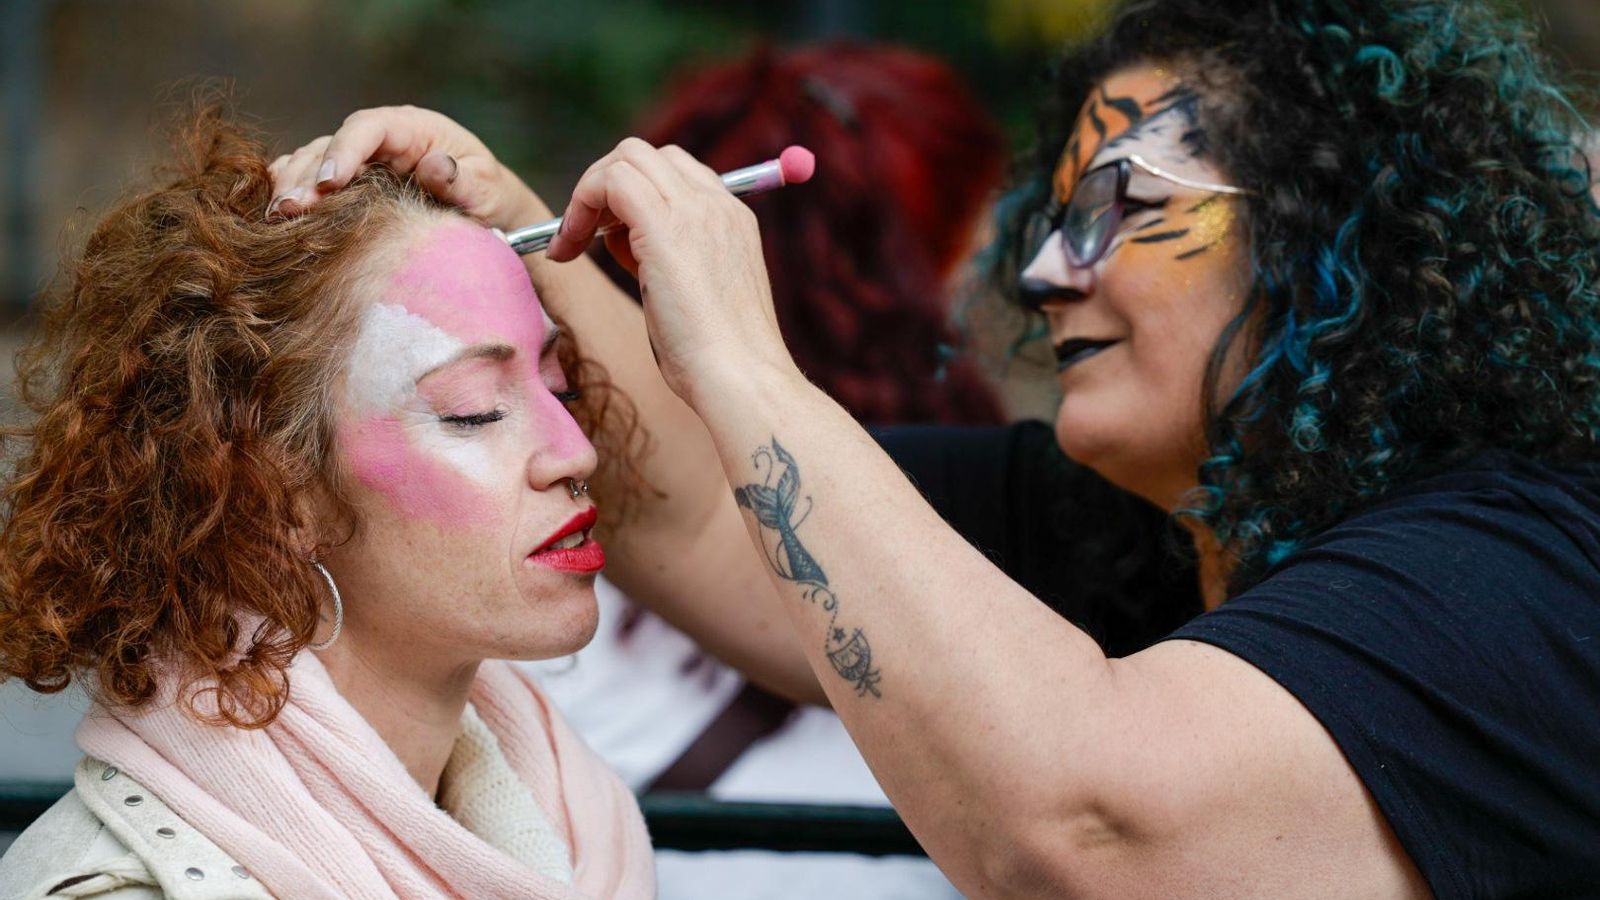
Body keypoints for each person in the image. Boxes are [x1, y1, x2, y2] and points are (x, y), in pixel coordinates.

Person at [281, 0, 1600, 894]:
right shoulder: (1139, 522)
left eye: (1125, 209)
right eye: (1054, 215)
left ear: (1339, 243)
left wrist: (744, 351)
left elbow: (1087, 828)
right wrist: (506, 212)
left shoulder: (1517, 566)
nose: (1043, 273)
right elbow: (705, 520)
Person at [0, 106, 654, 897]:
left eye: (558, 386)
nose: (574, 451)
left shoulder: (586, 826)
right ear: (275, 493)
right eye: (474, 409)